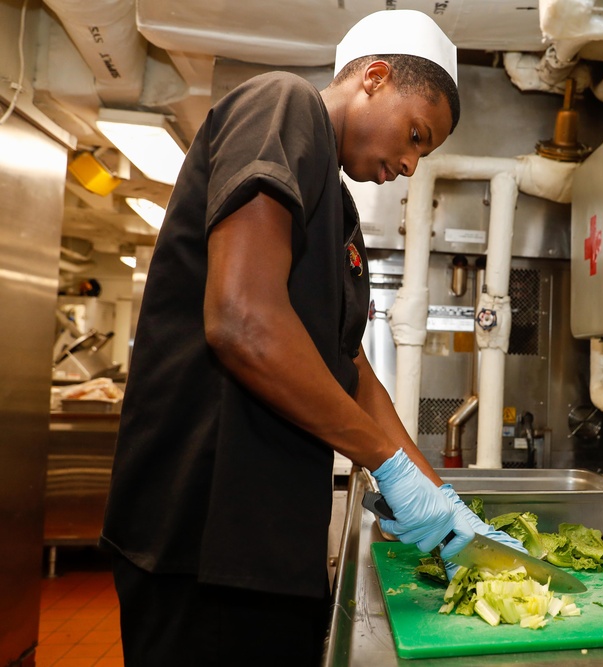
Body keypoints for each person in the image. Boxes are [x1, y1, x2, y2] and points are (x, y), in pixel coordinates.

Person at [100, 10, 524, 666]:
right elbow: (241, 320)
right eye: (416, 134)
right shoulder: (282, 102)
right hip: (199, 533)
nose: (411, 164)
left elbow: (348, 365)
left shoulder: (341, 215)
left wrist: (433, 490)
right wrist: (386, 460)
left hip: (264, 547)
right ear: (375, 79)